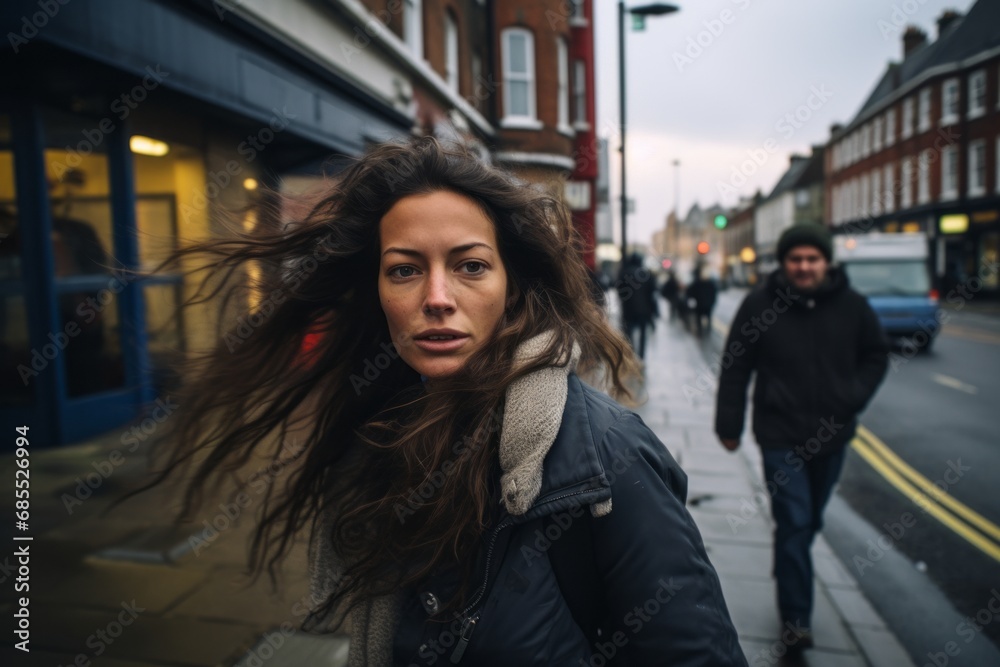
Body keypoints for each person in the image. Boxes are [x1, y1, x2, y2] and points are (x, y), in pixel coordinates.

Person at [145, 137, 747, 666]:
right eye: (405, 271)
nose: (437, 297)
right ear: (377, 291)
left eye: (470, 266)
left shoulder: (606, 455)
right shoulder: (381, 433)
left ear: (513, 286)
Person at [714, 223, 889, 652]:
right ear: (784, 262)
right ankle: (796, 619)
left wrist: (852, 396)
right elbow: (736, 366)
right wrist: (728, 425)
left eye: (812, 259)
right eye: (796, 259)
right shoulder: (758, 305)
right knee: (794, 521)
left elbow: (876, 356)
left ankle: (789, 565)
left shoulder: (854, 306)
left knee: (808, 523)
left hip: (833, 435)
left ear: (827, 262)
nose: (804, 266)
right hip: (779, 435)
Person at [616, 253, 659, 359]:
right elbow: (652, 293)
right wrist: (653, 310)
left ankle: (631, 354)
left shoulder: (624, 273)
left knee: (629, 333)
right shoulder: (645, 274)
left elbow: (619, 291)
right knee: (643, 334)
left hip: (628, 309)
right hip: (644, 310)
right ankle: (641, 356)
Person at [686, 265, 717, 337]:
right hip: (704, 305)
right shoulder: (709, 283)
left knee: (701, 319)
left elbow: (689, 293)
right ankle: (705, 331)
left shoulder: (698, 283)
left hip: (702, 305)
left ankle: (702, 331)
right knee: (705, 318)